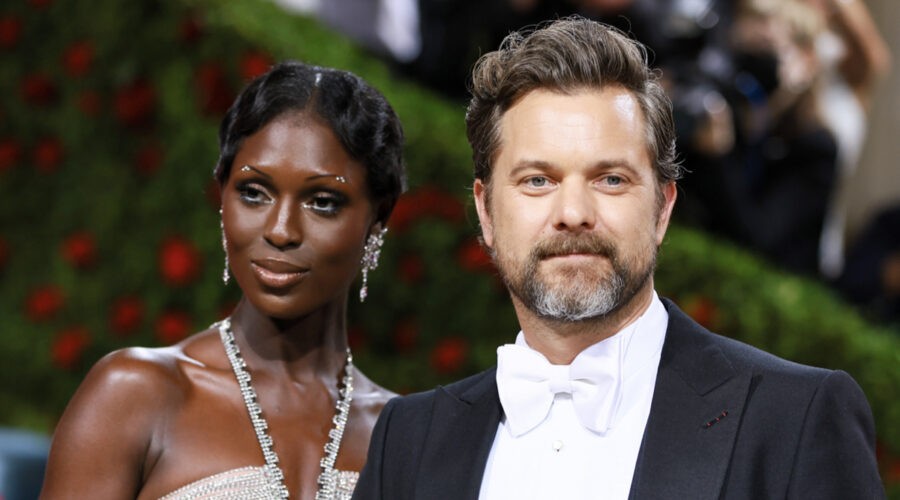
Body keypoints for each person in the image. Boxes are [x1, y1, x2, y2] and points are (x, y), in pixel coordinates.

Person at [353, 17, 884, 499]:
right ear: (486, 211)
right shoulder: (408, 440)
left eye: (611, 179)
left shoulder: (795, 418)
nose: (574, 212)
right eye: (538, 180)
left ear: (661, 209)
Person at [41, 61, 405, 499]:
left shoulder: (401, 434)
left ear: (378, 217)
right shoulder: (135, 394)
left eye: (322, 202)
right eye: (253, 193)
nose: (280, 230)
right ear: (222, 193)